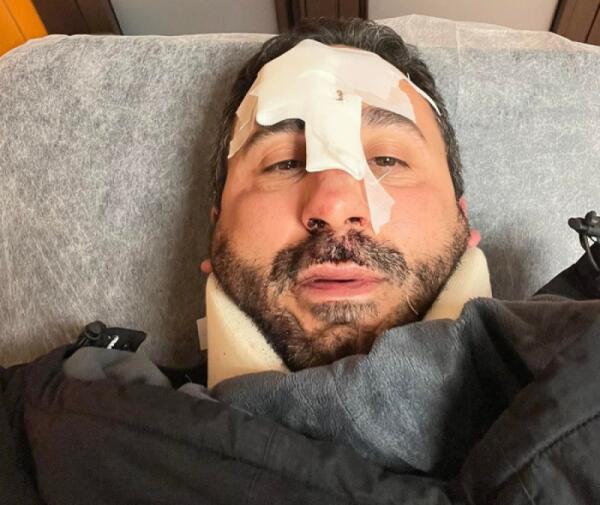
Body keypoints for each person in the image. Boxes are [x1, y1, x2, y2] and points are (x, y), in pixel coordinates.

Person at [2, 17, 600, 505]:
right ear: (215, 239)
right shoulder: (50, 432)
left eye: (387, 160)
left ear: (464, 225)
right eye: (285, 162)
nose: (335, 205)